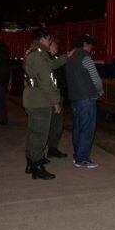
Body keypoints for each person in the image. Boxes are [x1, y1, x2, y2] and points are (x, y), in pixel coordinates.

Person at [22, 29, 68, 180]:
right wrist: (55, 101)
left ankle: (31, 163)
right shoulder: (39, 55)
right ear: (42, 39)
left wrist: (65, 57)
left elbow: (50, 66)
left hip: (33, 99)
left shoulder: (33, 53)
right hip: (40, 101)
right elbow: (47, 81)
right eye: (49, 39)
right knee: (39, 136)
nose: (50, 42)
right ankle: (37, 167)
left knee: (32, 133)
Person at [66, 34, 104, 169]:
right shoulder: (85, 57)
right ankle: (82, 159)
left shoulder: (70, 57)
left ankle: (77, 156)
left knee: (77, 128)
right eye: (90, 44)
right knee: (87, 129)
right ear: (85, 44)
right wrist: (100, 91)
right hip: (87, 98)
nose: (91, 47)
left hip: (74, 98)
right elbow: (96, 78)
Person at [46, 38, 68, 159]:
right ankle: (43, 152)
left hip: (59, 95)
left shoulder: (55, 59)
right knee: (49, 125)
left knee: (58, 125)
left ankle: (53, 148)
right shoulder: (47, 60)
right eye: (55, 45)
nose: (57, 47)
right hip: (52, 98)